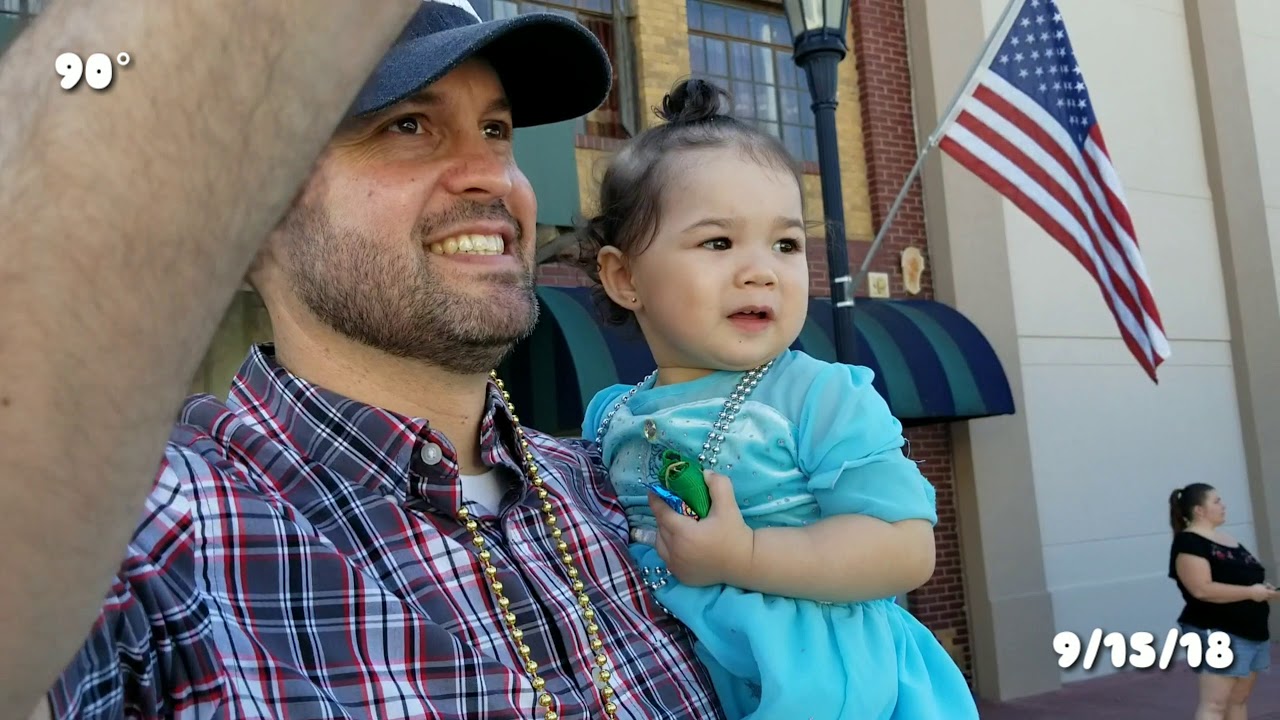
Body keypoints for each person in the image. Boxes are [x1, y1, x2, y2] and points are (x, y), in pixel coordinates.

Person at [4, 1, 725, 718]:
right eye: (408, 126)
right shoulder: (157, 539)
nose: (493, 176)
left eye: (497, 130)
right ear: (254, 218)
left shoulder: (615, 488)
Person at [575, 78, 979, 720]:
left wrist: (745, 556)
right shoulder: (613, 415)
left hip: (820, 684)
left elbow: (904, 547)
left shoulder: (820, 397)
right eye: (718, 242)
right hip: (665, 669)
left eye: (786, 244)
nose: (761, 269)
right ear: (625, 277)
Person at [1169, 483, 1276, 720]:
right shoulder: (1189, 543)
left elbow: (1246, 581)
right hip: (1217, 632)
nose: (1223, 505)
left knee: (1238, 701)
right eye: (1216, 501)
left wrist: (1265, 591)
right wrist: (1250, 593)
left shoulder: (1228, 540)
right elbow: (1201, 589)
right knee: (1214, 706)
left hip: (1251, 633)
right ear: (1199, 510)